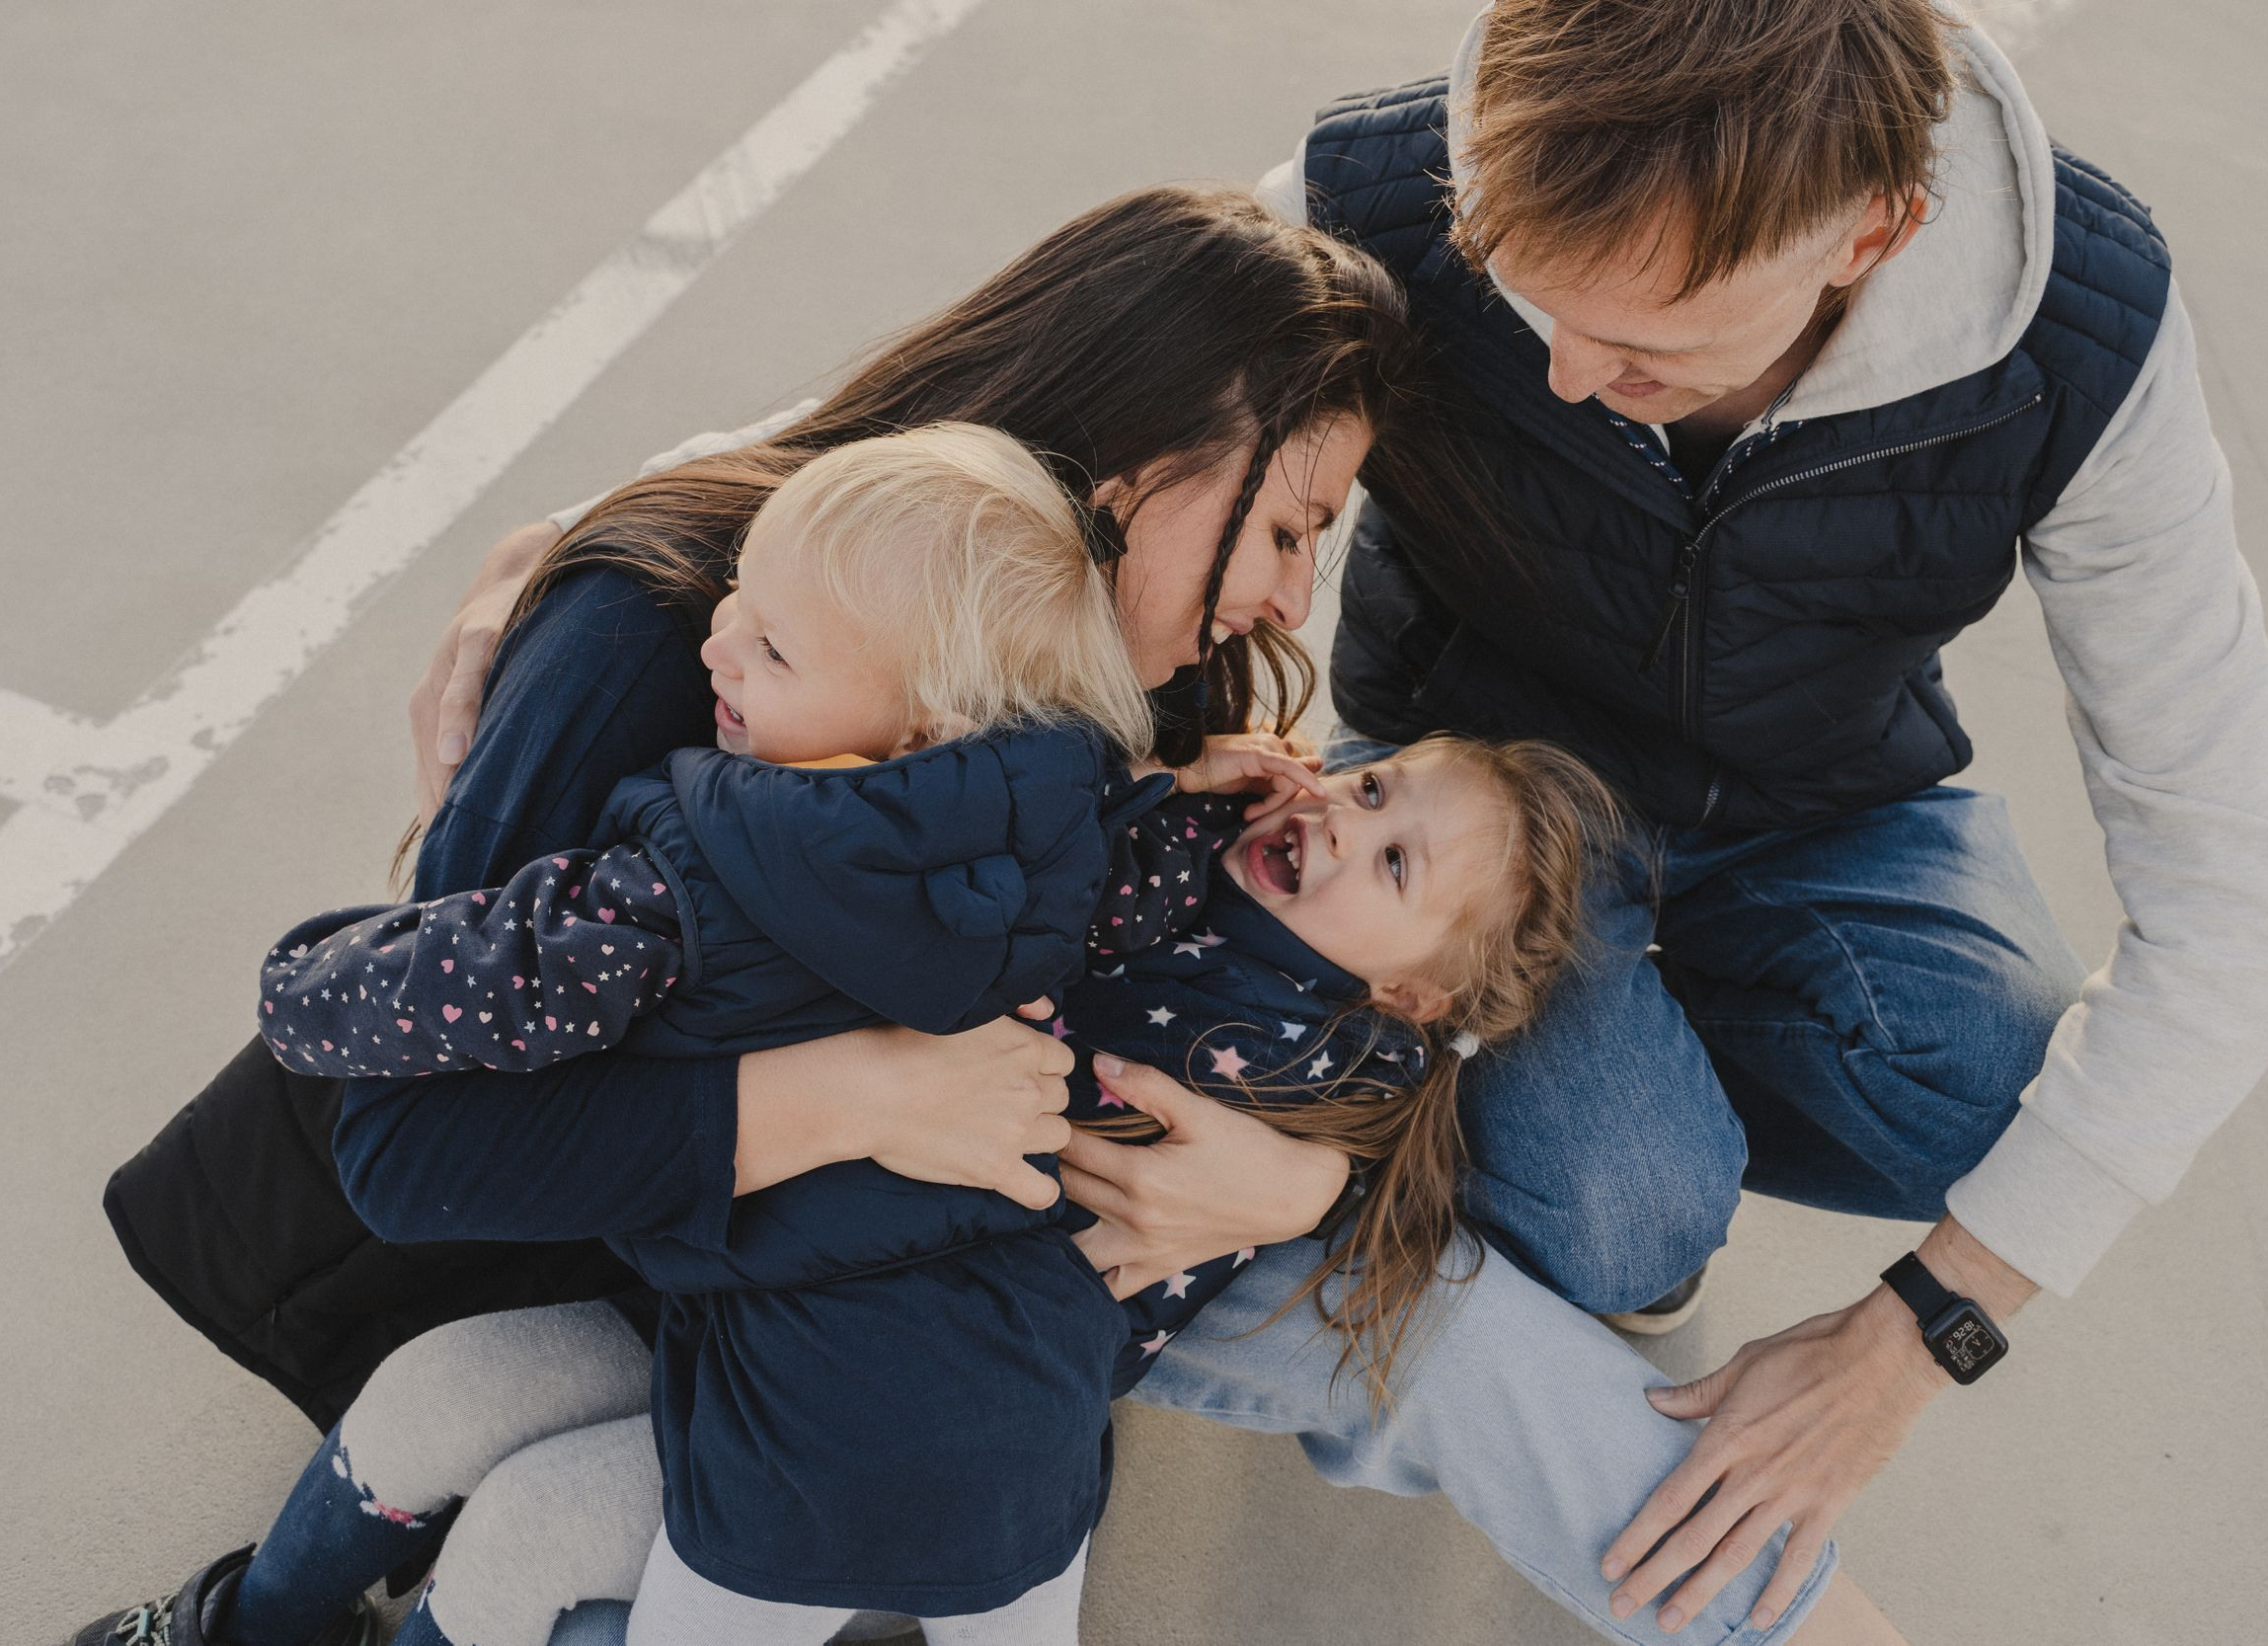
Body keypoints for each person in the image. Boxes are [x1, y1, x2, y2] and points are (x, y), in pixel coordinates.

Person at [100, 182, 1909, 1646]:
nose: (1291, 604)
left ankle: (1783, 1609)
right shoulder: (675, 649)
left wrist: (1309, 1183)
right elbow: (406, 1153)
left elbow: (1273, 1016)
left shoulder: (1138, 702)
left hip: (966, 1285)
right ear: (1130, 482)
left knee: (1442, 1310)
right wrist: (857, 1098)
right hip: (649, 1252)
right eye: (1289, 526)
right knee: (563, 1556)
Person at [1224, 0, 2268, 1629]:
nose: (1563, 377)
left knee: (1996, 1090)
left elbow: (2248, 894)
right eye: (1530, 296)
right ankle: (1551, 1136)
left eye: (1650, 347)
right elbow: (1088, 468)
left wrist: (1922, 1330)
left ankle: (1550, 1101)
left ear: (1873, 235)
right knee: (1620, 1209)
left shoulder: (2078, 336)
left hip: (1823, 798)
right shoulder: (1374, 197)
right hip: (1482, 799)